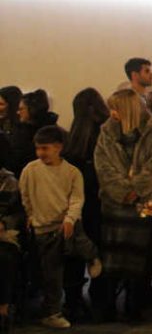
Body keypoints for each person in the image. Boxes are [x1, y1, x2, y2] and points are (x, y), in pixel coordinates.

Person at [94, 88, 152, 322]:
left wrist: (136, 188)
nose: (111, 113)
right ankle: (108, 305)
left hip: (144, 201)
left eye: (115, 109)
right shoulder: (107, 131)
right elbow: (103, 165)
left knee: (140, 256)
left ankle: (134, 306)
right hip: (114, 203)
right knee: (112, 256)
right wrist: (122, 190)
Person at [20, 125, 102, 329]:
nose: (41, 153)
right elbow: (25, 195)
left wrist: (69, 219)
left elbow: (77, 199)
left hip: (66, 223)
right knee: (52, 273)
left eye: (45, 148)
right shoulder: (30, 170)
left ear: (58, 147)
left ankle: (91, 256)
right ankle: (52, 312)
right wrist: (31, 215)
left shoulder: (72, 172)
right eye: (38, 148)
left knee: (77, 234)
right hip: (44, 228)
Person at [62, 88, 111, 322]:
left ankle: (73, 302)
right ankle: (100, 302)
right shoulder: (105, 132)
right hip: (99, 200)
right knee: (99, 251)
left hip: (77, 202)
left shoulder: (73, 137)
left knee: (74, 253)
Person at [0, 162, 23, 333]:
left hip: (4, 235)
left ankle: (3, 309)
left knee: (4, 258)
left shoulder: (9, 182)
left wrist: (4, 223)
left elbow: (18, 214)